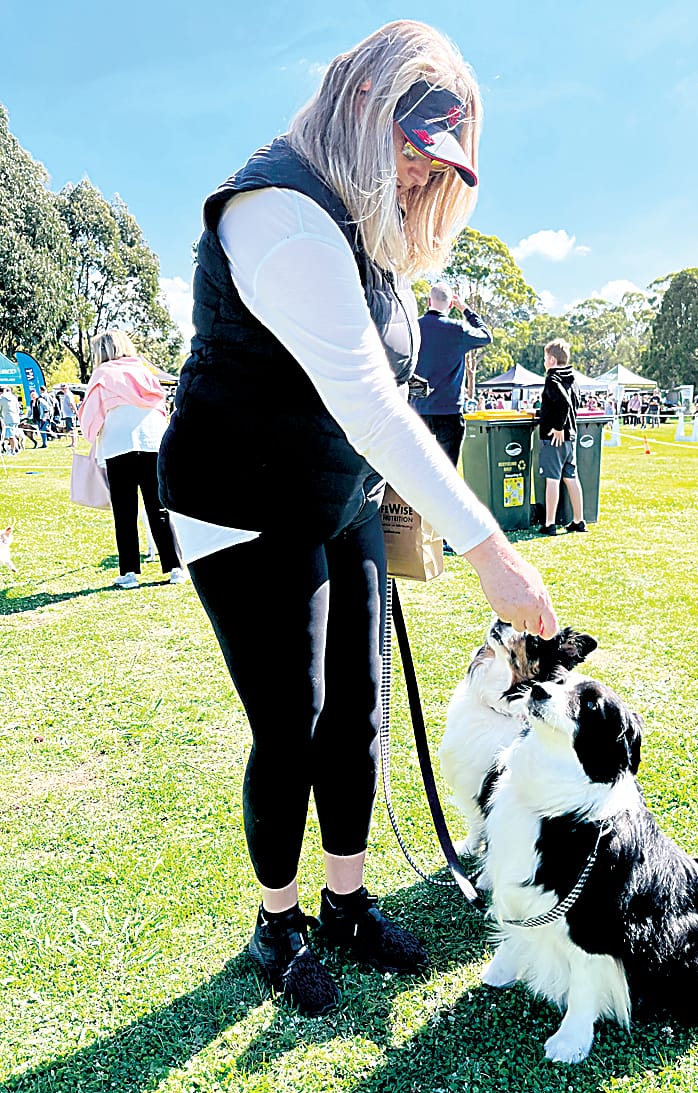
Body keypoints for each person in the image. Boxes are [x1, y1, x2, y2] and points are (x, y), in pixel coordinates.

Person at [156, 21, 557, 1017]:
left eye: (439, 174)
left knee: (360, 712)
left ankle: (343, 901)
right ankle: (277, 921)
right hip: (238, 502)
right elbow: (370, 402)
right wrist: (491, 552)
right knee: (290, 721)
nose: (423, 188)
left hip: (333, 494)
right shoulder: (278, 210)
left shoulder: (364, 230)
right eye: (416, 161)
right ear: (364, 112)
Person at [78, 330, 186, 589]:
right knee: (159, 508)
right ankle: (175, 568)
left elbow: (91, 415)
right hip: (152, 442)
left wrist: (91, 435)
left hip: (119, 446)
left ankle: (129, 573)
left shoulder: (102, 375)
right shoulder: (144, 370)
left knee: (125, 513)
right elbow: (160, 405)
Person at [412, 281, 491, 466]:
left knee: (417, 471)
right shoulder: (458, 329)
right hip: (449, 411)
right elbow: (486, 335)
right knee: (446, 474)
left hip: (418, 409)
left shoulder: (414, 328)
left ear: (428, 302)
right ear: (450, 305)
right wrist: (465, 309)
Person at [536, 338, 586, 536]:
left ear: (553, 360)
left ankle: (550, 523)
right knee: (571, 477)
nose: (545, 362)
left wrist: (557, 427)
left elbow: (563, 404)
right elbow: (575, 402)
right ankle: (578, 520)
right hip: (571, 438)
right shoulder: (572, 379)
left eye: (546, 358)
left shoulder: (552, 378)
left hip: (554, 438)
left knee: (552, 479)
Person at [0, 386, 22, 454]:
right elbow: (18, 409)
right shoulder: (14, 397)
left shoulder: (1, 398)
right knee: (13, 434)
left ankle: (12, 451)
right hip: (16, 418)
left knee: (10, 436)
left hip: (8, 419)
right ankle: (17, 449)